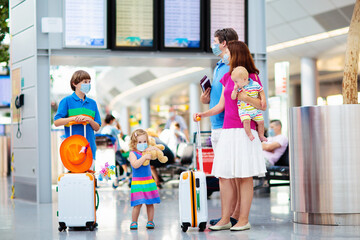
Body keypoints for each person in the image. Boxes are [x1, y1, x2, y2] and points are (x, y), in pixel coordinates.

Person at [194, 40, 267, 231]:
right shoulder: (227, 77)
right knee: (224, 175)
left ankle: (243, 219)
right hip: (227, 130)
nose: (225, 55)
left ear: (237, 54)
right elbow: (220, 105)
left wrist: (245, 97)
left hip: (245, 131)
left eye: (228, 52)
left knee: (244, 176)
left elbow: (261, 105)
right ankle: (225, 218)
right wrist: (203, 114)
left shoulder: (252, 77)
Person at [200, 28, 240, 227]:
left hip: (228, 125)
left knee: (230, 174)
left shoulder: (234, 66)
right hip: (217, 124)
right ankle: (230, 215)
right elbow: (219, 98)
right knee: (225, 174)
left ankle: (232, 216)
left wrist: (202, 114)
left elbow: (227, 103)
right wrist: (206, 100)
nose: (213, 44)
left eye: (215, 41)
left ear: (224, 43)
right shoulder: (218, 66)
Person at [54, 70, 101, 170]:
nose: (88, 84)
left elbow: (97, 127)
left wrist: (89, 119)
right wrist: (73, 119)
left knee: (88, 181)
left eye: (89, 82)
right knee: (74, 182)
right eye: (84, 82)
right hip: (72, 150)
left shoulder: (92, 103)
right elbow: (56, 122)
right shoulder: (66, 101)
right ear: (74, 83)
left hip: (89, 148)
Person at [128, 129, 161, 230]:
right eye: (139, 142)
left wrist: (155, 152)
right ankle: (134, 222)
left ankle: (150, 221)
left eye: (144, 141)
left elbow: (157, 153)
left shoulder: (147, 151)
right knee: (137, 204)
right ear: (134, 143)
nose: (143, 144)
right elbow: (135, 165)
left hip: (148, 181)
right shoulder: (133, 153)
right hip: (138, 182)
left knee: (150, 203)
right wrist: (144, 157)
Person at [231, 66, 267, 142]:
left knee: (261, 122)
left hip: (255, 110)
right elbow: (233, 97)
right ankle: (249, 134)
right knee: (246, 121)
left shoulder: (255, 84)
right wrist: (234, 91)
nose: (235, 84)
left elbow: (261, 91)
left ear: (244, 79)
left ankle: (261, 135)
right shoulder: (239, 88)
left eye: (236, 81)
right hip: (244, 110)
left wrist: (263, 99)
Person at [100, 114, 129, 183]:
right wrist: (118, 124)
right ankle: (127, 173)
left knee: (109, 162)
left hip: (106, 149)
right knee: (121, 161)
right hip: (115, 149)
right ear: (111, 121)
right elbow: (120, 133)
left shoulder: (103, 129)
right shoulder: (112, 128)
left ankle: (107, 176)